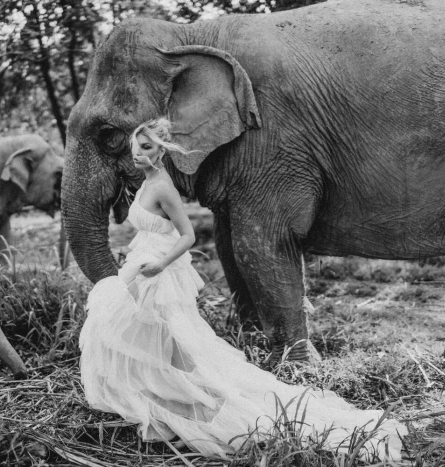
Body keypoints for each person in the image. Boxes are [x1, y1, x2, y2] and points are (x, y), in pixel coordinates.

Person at [79, 118, 408, 461]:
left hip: (158, 273)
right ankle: (168, 408)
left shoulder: (163, 186)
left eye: (146, 148)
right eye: (135, 148)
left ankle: (200, 411)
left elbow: (188, 236)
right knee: (141, 335)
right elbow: (151, 231)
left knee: (175, 342)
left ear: (162, 151)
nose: (137, 154)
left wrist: (161, 264)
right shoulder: (144, 185)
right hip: (142, 267)